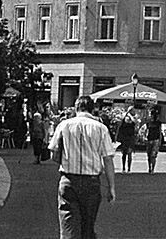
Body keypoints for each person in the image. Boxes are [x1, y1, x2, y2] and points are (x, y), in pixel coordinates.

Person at [48, 95, 116, 239]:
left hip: (68, 180)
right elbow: (108, 159)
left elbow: (53, 153)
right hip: (91, 182)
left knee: (68, 227)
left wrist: (66, 159)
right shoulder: (101, 128)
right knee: (87, 227)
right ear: (92, 109)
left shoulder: (64, 125)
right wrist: (111, 187)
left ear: (76, 108)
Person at [145, 109, 162, 174]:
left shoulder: (158, 123)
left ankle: (152, 169)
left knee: (153, 155)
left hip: (155, 140)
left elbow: (160, 132)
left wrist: (160, 140)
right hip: (149, 139)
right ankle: (149, 167)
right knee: (149, 155)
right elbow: (146, 131)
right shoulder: (148, 122)